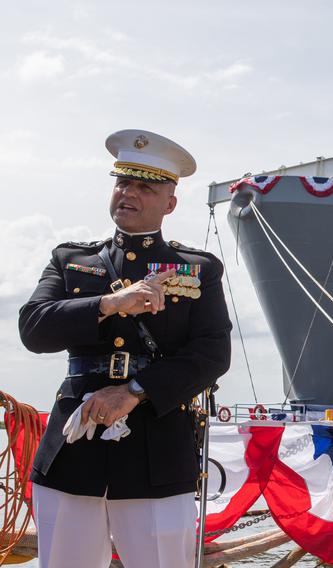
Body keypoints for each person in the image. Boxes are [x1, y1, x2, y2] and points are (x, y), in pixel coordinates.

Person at [19, 129, 232, 568]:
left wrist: (134, 391)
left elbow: (212, 353)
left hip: (157, 454)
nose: (128, 193)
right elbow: (34, 329)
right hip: (73, 454)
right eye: (122, 183)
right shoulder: (71, 259)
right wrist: (109, 303)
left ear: (169, 203)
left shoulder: (197, 269)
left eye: (145, 187)